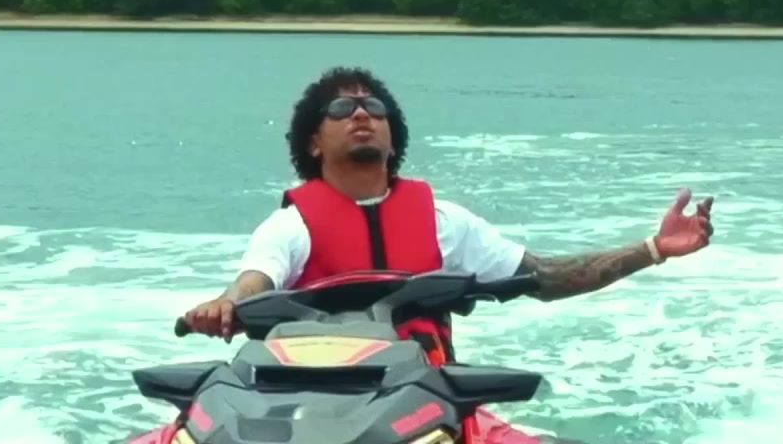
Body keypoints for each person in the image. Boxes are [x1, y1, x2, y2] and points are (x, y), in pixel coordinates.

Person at [181, 66, 715, 364]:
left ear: (393, 138)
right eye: (341, 109)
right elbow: (254, 282)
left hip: (425, 397)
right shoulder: (290, 226)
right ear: (314, 141)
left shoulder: (445, 222)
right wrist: (226, 305)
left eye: (375, 108)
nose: (362, 113)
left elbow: (547, 278)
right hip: (310, 402)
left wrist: (653, 249)